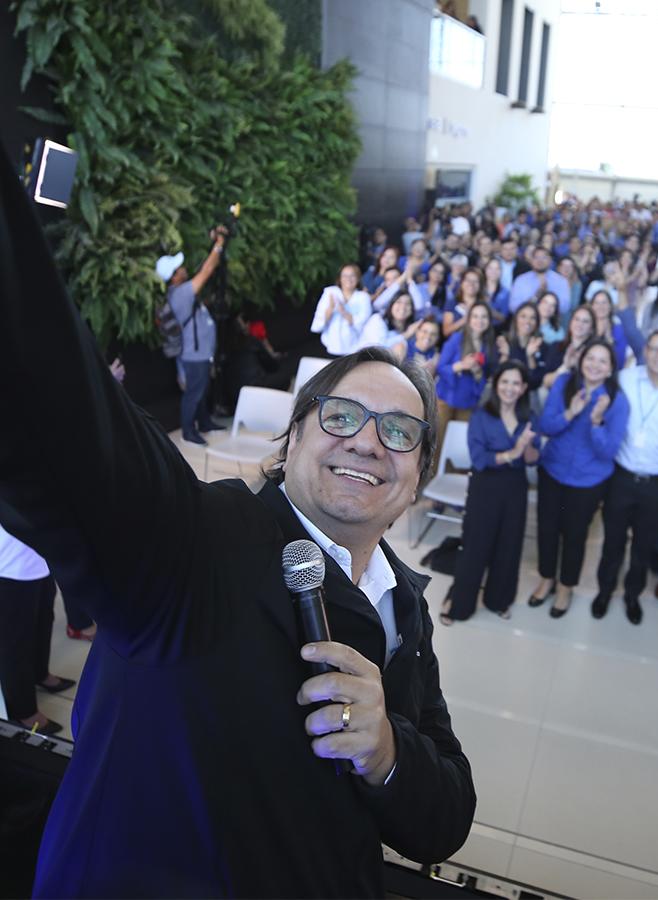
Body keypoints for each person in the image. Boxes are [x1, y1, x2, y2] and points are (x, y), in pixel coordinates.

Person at [0, 151, 474, 895]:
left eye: (400, 431)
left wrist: (386, 750)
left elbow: (445, 819)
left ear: (415, 480)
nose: (367, 441)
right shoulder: (196, 545)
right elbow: (54, 409)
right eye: (342, 415)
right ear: (291, 442)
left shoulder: (404, 608)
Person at [594, 330, 658, 624]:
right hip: (621, 477)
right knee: (612, 541)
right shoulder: (626, 379)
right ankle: (604, 590)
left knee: (644, 545)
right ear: (646, 350)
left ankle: (631, 595)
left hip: (657, 484)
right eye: (654, 348)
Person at [533, 339, 630, 617]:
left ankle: (565, 587)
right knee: (547, 530)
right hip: (552, 471)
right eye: (591, 358)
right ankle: (546, 578)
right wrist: (570, 413)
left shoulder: (617, 400)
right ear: (581, 360)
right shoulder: (564, 383)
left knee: (575, 536)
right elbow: (546, 427)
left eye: (603, 361)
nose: (595, 365)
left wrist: (596, 421)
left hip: (588, 482)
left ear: (611, 369)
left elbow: (608, 450)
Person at [442, 362, 540, 623]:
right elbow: (479, 458)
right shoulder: (481, 415)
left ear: (524, 388)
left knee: (509, 544)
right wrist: (513, 452)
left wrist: (528, 448)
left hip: (515, 486)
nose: (510, 388)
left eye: (516, 383)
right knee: (475, 545)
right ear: (496, 385)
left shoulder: (528, 417)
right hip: (485, 485)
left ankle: (499, 600)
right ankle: (460, 604)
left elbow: (531, 459)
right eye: (505, 382)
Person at [0, 524, 77, 735]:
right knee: (15, 640)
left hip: (39, 555)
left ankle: (39, 673)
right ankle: (23, 711)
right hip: (9, 567)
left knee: (44, 618)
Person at [158, 229, 227, 444]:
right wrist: (219, 245)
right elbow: (207, 270)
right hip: (193, 354)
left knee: (201, 388)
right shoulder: (181, 293)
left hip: (200, 352)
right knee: (193, 393)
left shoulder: (180, 292)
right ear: (174, 276)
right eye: (180, 267)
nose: (184, 268)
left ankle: (204, 423)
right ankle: (188, 432)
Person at [435, 301, 497, 458]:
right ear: (469, 319)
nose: (479, 320)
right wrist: (460, 366)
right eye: (475, 316)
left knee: (458, 448)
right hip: (445, 399)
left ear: (489, 321)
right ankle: (431, 479)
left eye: (484, 317)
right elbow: (441, 367)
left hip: (468, 403)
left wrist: (477, 374)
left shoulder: (489, 346)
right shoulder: (457, 338)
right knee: (437, 444)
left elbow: (484, 381)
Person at [312, 263, 374, 359]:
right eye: (345, 275)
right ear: (340, 278)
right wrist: (330, 309)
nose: (348, 279)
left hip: (354, 348)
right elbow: (319, 322)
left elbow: (363, 322)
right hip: (330, 346)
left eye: (352, 275)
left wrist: (343, 311)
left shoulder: (363, 297)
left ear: (358, 279)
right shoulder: (330, 293)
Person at [509, 246, 571, 310]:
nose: (540, 260)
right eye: (536, 257)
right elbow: (513, 307)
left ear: (550, 260)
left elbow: (565, 307)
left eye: (544, 257)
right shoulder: (521, 280)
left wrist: (547, 302)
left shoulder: (561, 281)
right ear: (531, 260)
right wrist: (536, 297)